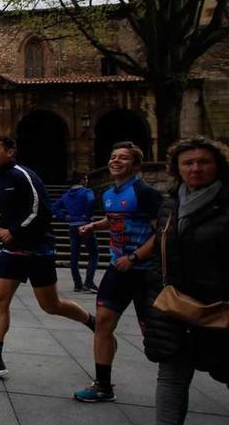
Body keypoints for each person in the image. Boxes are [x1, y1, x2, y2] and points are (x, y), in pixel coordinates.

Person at [0, 136, 96, 380]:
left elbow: (41, 211)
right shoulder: (0, 178)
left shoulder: (21, 174)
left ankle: (91, 321)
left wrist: (13, 231)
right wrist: (0, 223)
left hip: (38, 249)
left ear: (10, 151)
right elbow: (17, 211)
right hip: (13, 250)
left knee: (51, 305)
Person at [143, 136, 229, 424]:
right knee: (171, 377)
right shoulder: (170, 206)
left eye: (204, 162)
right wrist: (153, 306)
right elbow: (159, 258)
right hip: (175, 306)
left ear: (218, 165)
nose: (195, 169)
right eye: (188, 163)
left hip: (220, 307)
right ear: (177, 168)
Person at [73, 141, 163, 403]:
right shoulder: (109, 194)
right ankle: (103, 385)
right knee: (102, 322)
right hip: (117, 269)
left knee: (154, 332)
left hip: (144, 272)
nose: (116, 161)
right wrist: (95, 226)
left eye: (123, 158)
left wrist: (134, 258)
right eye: (113, 157)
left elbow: (162, 234)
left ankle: (175, 378)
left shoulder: (145, 192)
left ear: (135, 165)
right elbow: (116, 219)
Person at [51, 171, 101, 293]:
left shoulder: (66, 195)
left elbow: (54, 207)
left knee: (74, 255)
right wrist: (87, 215)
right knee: (93, 254)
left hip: (72, 225)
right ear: (82, 180)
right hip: (85, 224)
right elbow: (91, 201)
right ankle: (89, 282)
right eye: (86, 178)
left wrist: (63, 216)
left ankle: (77, 284)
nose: (87, 181)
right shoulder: (86, 191)